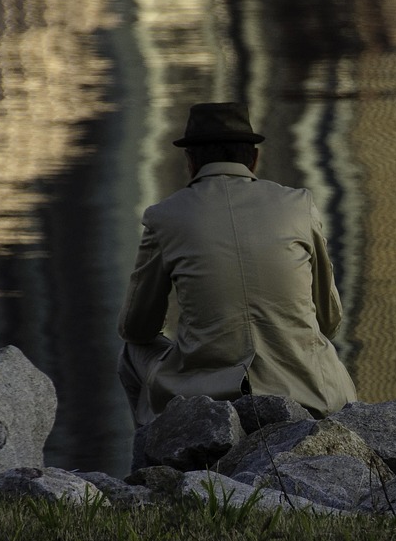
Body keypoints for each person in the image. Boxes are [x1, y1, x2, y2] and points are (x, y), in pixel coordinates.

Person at [117, 102, 357, 426]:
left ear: (190, 162)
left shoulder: (165, 217)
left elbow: (137, 328)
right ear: (254, 158)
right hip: (312, 395)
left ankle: (154, 459)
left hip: (209, 400)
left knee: (132, 353)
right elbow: (330, 320)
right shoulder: (299, 205)